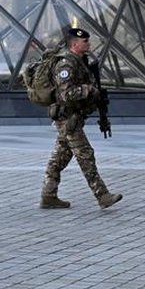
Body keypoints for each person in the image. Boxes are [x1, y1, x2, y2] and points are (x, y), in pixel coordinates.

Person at [40, 28, 122, 210]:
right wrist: (89, 90)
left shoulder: (80, 62)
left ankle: (48, 195)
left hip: (73, 117)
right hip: (67, 117)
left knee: (60, 157)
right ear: (75, 44)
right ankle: (102, 195)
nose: (89, 44)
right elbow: (67, 94)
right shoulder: (65, 65)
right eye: (85, 41)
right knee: (86, 155)